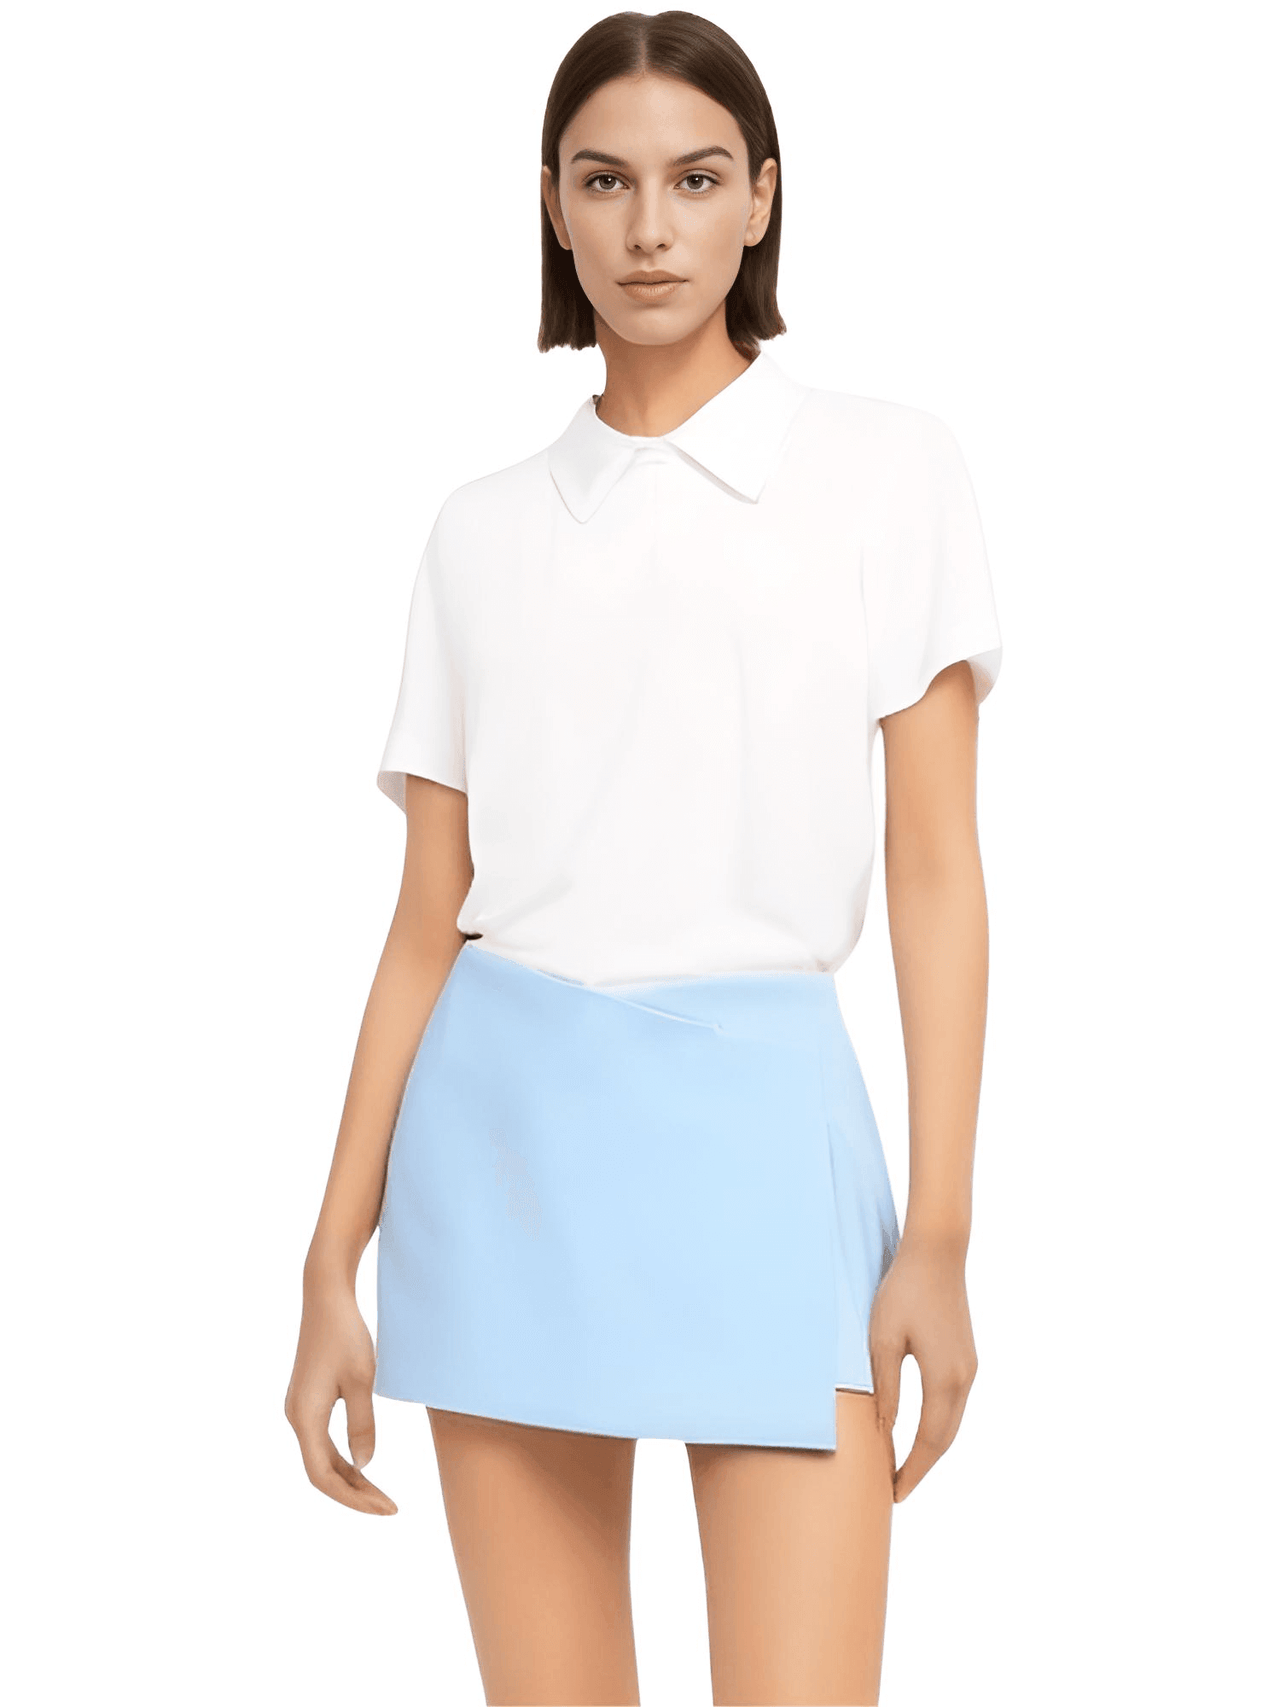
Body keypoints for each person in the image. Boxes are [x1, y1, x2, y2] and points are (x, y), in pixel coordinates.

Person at [285, 12, 1002, 1705]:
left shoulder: (886, 469)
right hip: (504, 1156)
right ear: (554, 204)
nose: (650, 228)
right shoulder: (480, 531)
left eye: (695, 180)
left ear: (763, 199)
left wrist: (942, 1234)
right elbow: (425, 924)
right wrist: (328, 1257)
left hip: (768, 1147)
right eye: (605, 182)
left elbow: (937, 878)